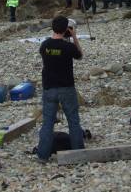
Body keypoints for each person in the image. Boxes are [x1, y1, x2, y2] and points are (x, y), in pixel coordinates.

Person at [37, 16, 84, 161]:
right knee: (73, 121)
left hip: (49, 88)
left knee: (48, 123)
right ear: (66, 29)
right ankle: (78, 154)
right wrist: (74, 37)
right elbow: (80, 55)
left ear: (52, 28)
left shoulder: (44, 45)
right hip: (66, 88)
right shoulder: (68, 47)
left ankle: (43, 155)